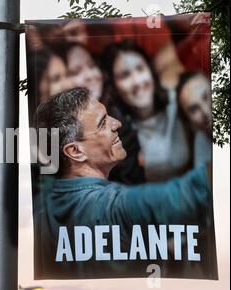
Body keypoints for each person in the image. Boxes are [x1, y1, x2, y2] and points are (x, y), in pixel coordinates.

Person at [34, 87, 212, 278]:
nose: (117, 123)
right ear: (76, 151)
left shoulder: (38, 213)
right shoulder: (115, 208)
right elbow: (195, 192)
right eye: (102, 123)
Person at [103, 39, 191, 182]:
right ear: (114, 87)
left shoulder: (178, 103)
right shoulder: (118, 134)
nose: (137, 81)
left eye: (140, 68)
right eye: (125, 75)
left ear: (150, 70)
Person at [66, 43, 145, 184]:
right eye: (76, 72)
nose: (90, 75)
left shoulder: (121, 124)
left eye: (91, 66)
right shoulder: (48, 131)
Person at [177, 71, 213, 167]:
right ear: (190, 123)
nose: (206, 111)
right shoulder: (202, 142)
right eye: (194, 109)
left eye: (207, 96)